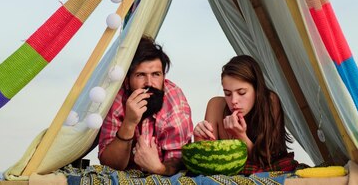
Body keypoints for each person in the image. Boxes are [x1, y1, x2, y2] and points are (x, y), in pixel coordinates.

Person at [98, 36, 193, 175]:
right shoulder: (116, 98)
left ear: (163, 77)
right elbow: (110, 164)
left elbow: (179, 162)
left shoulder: (174, 100)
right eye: (140, 75)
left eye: (156, 74)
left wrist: (158, 168)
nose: (149, 83)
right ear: (127, 80)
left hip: (164, 175)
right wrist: (129, 123)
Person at [193, 55, 298, 174]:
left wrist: (240, 135)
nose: (233, 101)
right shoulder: (215, 105)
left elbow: (268, 162)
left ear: (257, 89)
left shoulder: (270, 101)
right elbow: (207, 162)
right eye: (227, 93)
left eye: (241, 92)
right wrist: (199, 138)